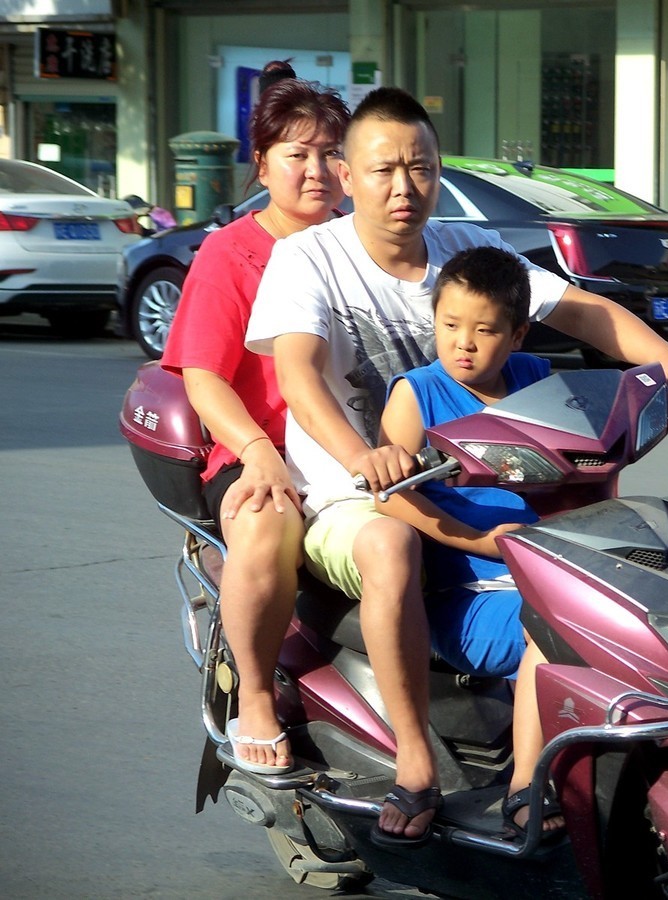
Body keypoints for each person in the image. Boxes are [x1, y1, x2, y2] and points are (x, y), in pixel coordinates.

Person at [244, 86, 668, 844]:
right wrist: (362, 456)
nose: (404, 187)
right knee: (390, 542)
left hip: (480, 484)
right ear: (346, 174)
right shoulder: (306, 259)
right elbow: (301, 378)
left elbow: (582, 311)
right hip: (356, 493)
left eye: (421, 167)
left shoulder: (470, 257)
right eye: (383, 170)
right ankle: (415, 764)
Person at [160, 62, 351, 774]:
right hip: (258, 447)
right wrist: (257, 452)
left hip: (353, 445)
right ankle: (258, 695)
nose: (317, 170)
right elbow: (204, 376)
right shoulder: (230, 253)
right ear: (263, 164)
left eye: (332, 153)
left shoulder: (363, 246)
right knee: (268, 526)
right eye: (298, 154)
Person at [375, 245, 562, 841]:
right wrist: (479, 540)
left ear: (517, 334)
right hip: (466, 595)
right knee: (553, 624)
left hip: (544, 568)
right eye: (450, 326)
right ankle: (525, 788)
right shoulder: (417, 394)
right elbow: (394, 496)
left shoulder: (536, 379)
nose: (464, 343)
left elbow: (582, 461)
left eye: (484, 331)